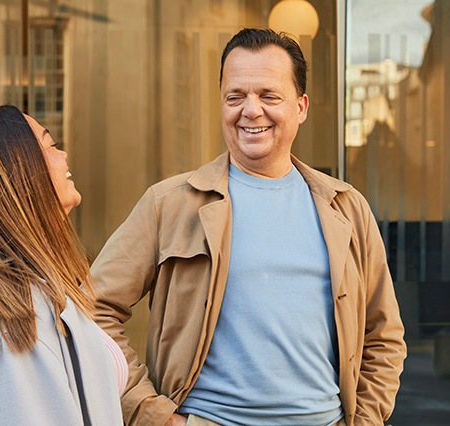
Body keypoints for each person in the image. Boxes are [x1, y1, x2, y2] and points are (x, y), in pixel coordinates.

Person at [91, 28, 406, 426]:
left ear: (301, 106)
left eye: (269, 95)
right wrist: (154, 417)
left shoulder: (346, 208)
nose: (250, 110)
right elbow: (91, 311)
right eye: (235, 97)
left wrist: (365, 421)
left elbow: (384, 335)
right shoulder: (169, 204)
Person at [0, 105, 125, 426]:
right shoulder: (21, 316)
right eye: (51, 146)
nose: (64, 155)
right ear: (16, 178)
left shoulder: (36, 298)